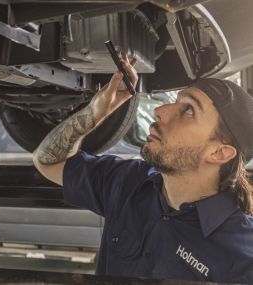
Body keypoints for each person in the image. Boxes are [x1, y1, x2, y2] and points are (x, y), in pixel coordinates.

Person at [33, 53, 253, 283]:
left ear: (219, 153)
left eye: (188, 110)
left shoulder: (244, 258)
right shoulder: (130, 182)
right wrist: (97, 112)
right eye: (177, 101)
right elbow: (48, 161)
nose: (161, 111)